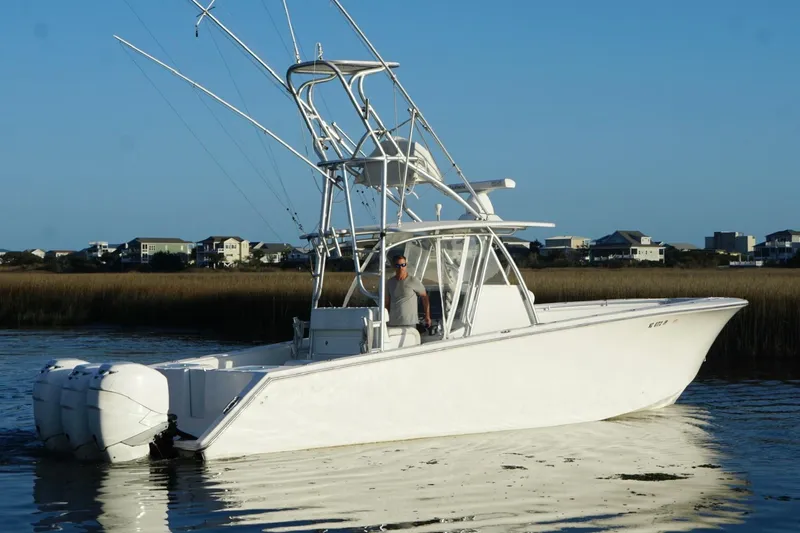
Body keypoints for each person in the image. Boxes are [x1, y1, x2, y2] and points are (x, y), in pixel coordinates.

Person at [385, 254, 431, 328]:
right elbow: (387, 303)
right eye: (398, 265)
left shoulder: (413, 280)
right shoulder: (390, 282)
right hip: (393, 323)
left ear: (406, 265)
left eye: (403, 265)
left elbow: (425, 297)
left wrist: (427, 316)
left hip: (409, 323)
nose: (401, 268)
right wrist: (385, 321)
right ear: (394, 266)